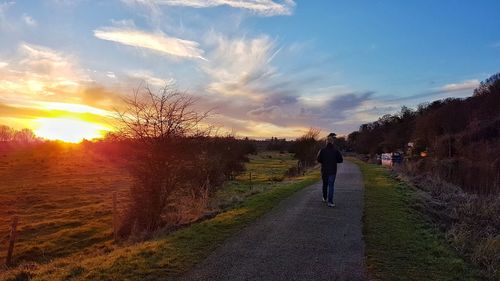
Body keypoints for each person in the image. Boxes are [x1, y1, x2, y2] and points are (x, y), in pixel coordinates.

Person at [316, 133, 343, 207]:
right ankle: (330, 202)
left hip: (324, 170)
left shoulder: (322, 150)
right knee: (331, 185)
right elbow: (341, 160)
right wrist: (334, 160)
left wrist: (324, 161)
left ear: (326, 142)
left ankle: (324, 198)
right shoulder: (336, 151)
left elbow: (318, 160)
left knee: (325, 184)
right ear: (332, 142)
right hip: (332, 171)